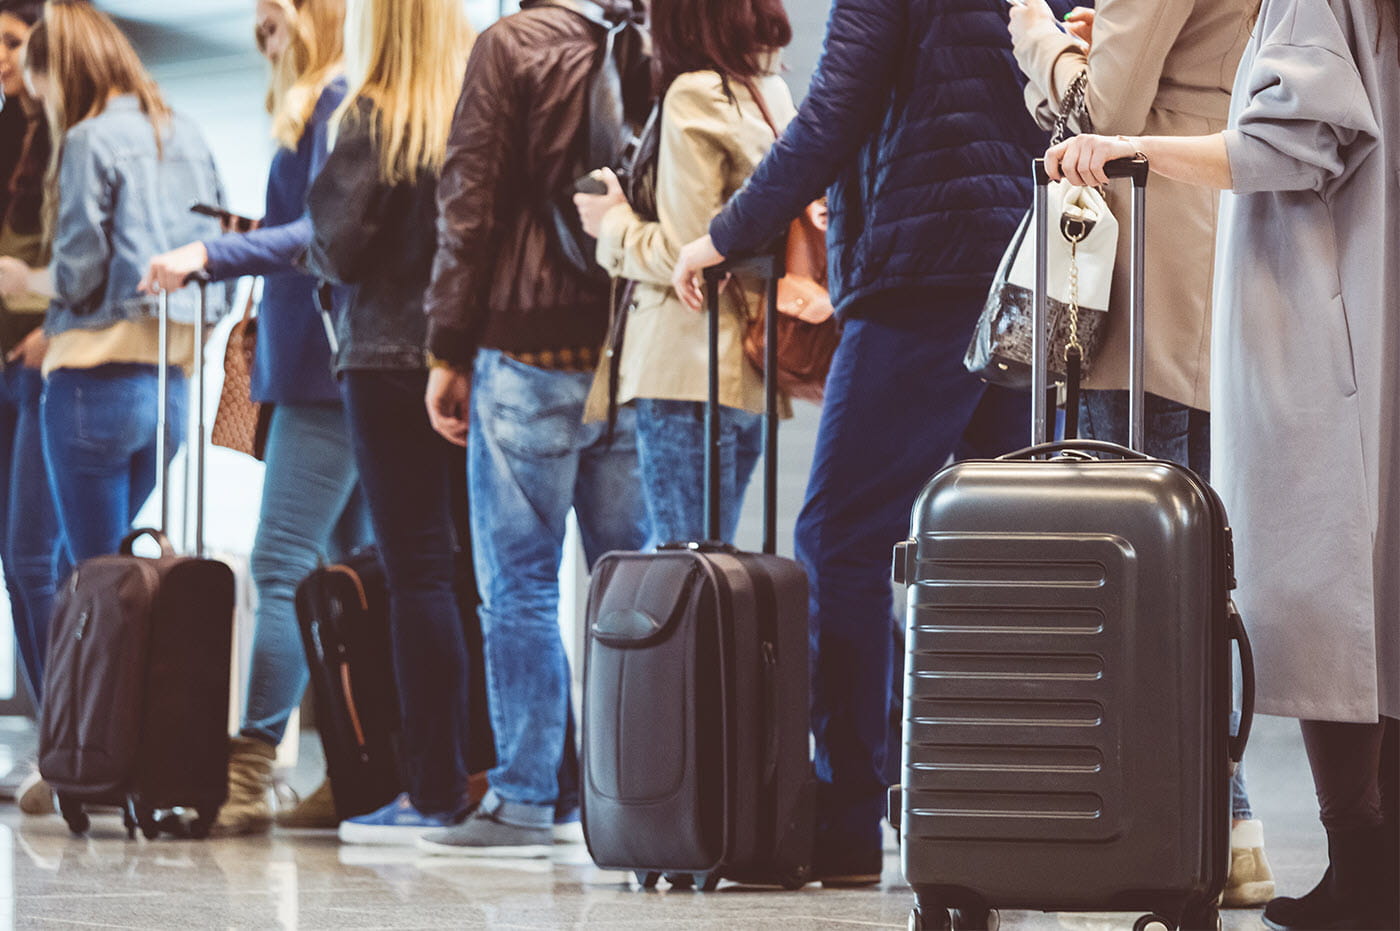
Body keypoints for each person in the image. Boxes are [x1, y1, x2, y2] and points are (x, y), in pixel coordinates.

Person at [670, 0, 1070, 885]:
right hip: (1023, 273)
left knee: (841, 540)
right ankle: (998, 816)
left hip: (920, 277)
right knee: (994, 559)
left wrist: (721, 237)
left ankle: (847, 816)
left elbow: (830, 117)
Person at [1045, 0, 1398, 926]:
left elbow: (1289, 145)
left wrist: (1136, 149)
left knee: (1327, 597)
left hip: (1320, 318)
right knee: (1374, 598)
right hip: (1366, 305)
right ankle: (1373, 862)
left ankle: (1364, 863)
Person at [1005, 0, 1273, 908]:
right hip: (1210, 265)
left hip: (1142, 282)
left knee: (1142, 583)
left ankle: (1173, 827)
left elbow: (1101, 107)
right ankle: (1227, 825)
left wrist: (1035, 37)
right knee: (1199, 572)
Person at [417, 0, 651, 858]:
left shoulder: (509, 45)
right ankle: (641, 788)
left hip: (526, 347)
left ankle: (523, 795)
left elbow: (467, 201)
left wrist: (447, 347)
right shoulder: (651, 41)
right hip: (632, 348)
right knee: (634, 588)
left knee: (518, 583)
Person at [141, 0, 372, 837]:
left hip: (324, 373)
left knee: (281, 567)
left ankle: (250, 769)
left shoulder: (336, 98)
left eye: (274, 22)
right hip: (322, 369)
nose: (262, 37)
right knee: (345, 574)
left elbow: (322, 230)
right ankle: (361, 772)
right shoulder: (327, 101)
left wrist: (212, 252)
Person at [304, 0, 480, 845]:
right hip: (472, 359)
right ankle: (517, 774)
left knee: (417, 575)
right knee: (477, 576)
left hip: (383, 360)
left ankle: (434, 786)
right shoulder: (478, 109)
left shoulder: (372, 114)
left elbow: (334, 245)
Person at [572, 0, 795, 545]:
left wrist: (614, 226)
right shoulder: (768, 90)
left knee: (684, 570)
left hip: (684, 364)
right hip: (746, 367)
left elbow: (688, 251)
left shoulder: (692, 93)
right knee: (713, 566)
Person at [27, 1, 227, 572]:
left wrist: (26, 279)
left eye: (43, 94)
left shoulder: (91, 139)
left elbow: (78, 275)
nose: (44, 108)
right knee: (104, 569)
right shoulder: (186, 131)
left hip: (93, 385)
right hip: (170, 392)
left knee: (92, 577)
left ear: (62, 75)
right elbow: (221, 259)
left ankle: (80, 669)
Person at [0, 0, 62, 815]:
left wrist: (57, 325)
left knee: (35, 556)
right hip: (5, 366)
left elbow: (87, 253)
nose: (1, 59)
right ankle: (56, 729)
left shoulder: (70, 133)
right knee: (17, 560)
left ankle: (67, 733)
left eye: (10, 43)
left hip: (51, 366)